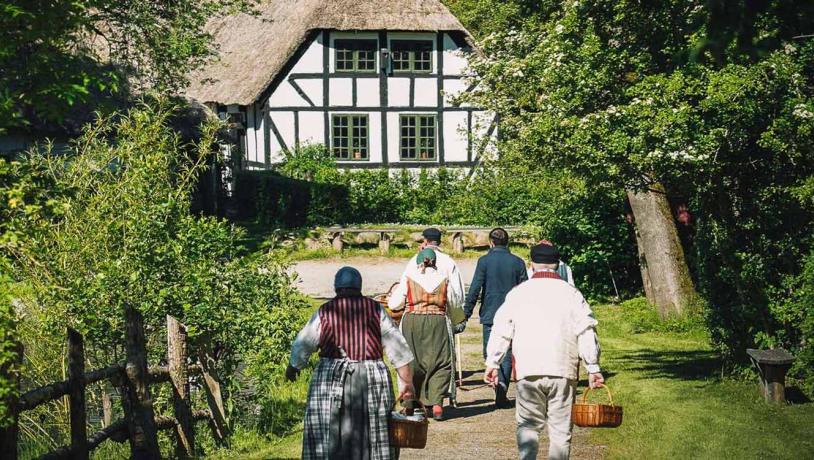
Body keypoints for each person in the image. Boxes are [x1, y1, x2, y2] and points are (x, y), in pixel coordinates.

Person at [485, 243, 604, 460]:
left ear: (531, 264)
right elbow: (586, 331)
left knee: (528, 425)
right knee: (560, 430)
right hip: (563, 369)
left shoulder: (518, 293)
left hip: (528, 370)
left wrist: (493, 363)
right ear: (558, 265)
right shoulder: (572, 294)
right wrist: (593, 367)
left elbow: (502, 329)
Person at [287, 267, 415, 460]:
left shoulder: (325, 311)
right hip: (371, 376)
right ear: (359, 286)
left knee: (331, 425)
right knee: (372, 424)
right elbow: (397, 348)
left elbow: (304, 343)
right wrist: (407, 385)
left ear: (336, 287)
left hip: (331, 376)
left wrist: (294, 366)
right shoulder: (375, 309)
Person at [460, 227, 528, 407]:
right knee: (506, 353)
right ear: (508, 242)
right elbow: (525, 290)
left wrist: (466, 313)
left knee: (490, 351)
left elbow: (475, 288)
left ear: (491, 242)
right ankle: (501, 389)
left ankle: (498, 386)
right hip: (513, 313)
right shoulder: (518, 262)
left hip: (490, 313)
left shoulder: (484, 261)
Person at [389, 248, 459, 421]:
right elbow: (455, 302)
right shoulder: (444, 278)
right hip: (438, 322)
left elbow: (394, 303)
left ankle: (410, 405)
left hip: (413, 322)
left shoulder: (409, 277)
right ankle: (436, 406)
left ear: (418, 262)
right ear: (435, 262)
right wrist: (457, 318)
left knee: (412, 362)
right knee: (441, 362)